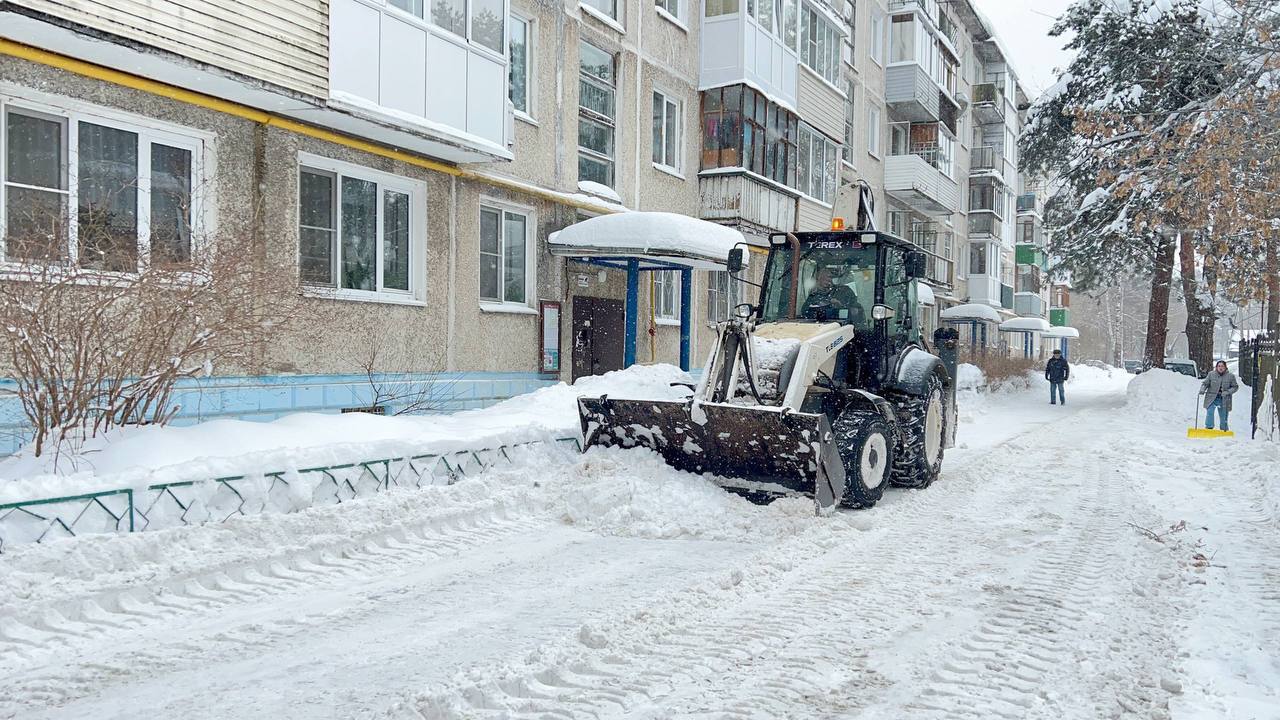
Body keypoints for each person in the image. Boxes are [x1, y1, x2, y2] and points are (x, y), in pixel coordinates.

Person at [1201, 360, 1239, 431]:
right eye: (1219, 366)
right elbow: (1205, 383)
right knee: (1210, 411)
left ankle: (1224, 429)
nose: (1220, 368)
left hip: (1224, 399)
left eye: (1222, 366)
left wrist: (1227, 392)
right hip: (1212, 398)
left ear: (1225, 367)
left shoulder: (1230, 376)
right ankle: (1209, 427)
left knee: (1223, 415)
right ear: (1216, 367)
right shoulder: (1211, 374)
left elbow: (1235, 387)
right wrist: (1202, 389)